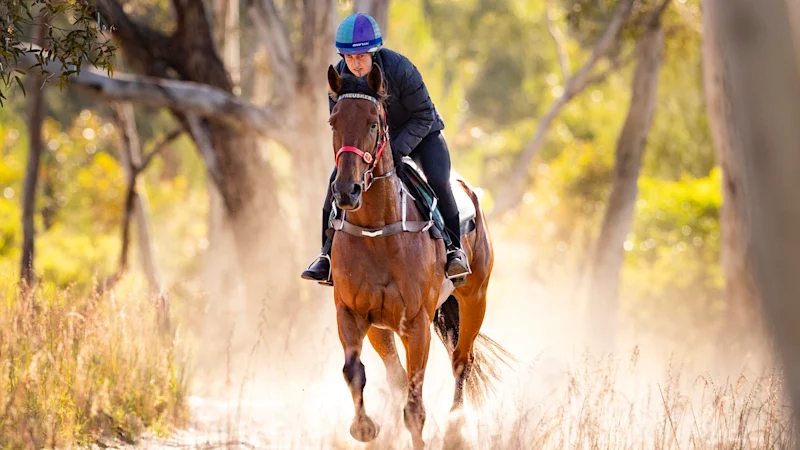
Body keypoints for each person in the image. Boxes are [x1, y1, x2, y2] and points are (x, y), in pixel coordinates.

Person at [301, 12, 470, 286]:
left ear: (374, 52)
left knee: (439, 180)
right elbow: (343, 126)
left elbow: (424, 115)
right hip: (372, 143)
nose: (355, 64)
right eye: (350, 57)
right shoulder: (340, 80)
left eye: (362, 57)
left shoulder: (400, 68)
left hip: (420, 133)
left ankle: (454, 249)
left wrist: (396, 150)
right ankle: (326, 256)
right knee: (335, 184)